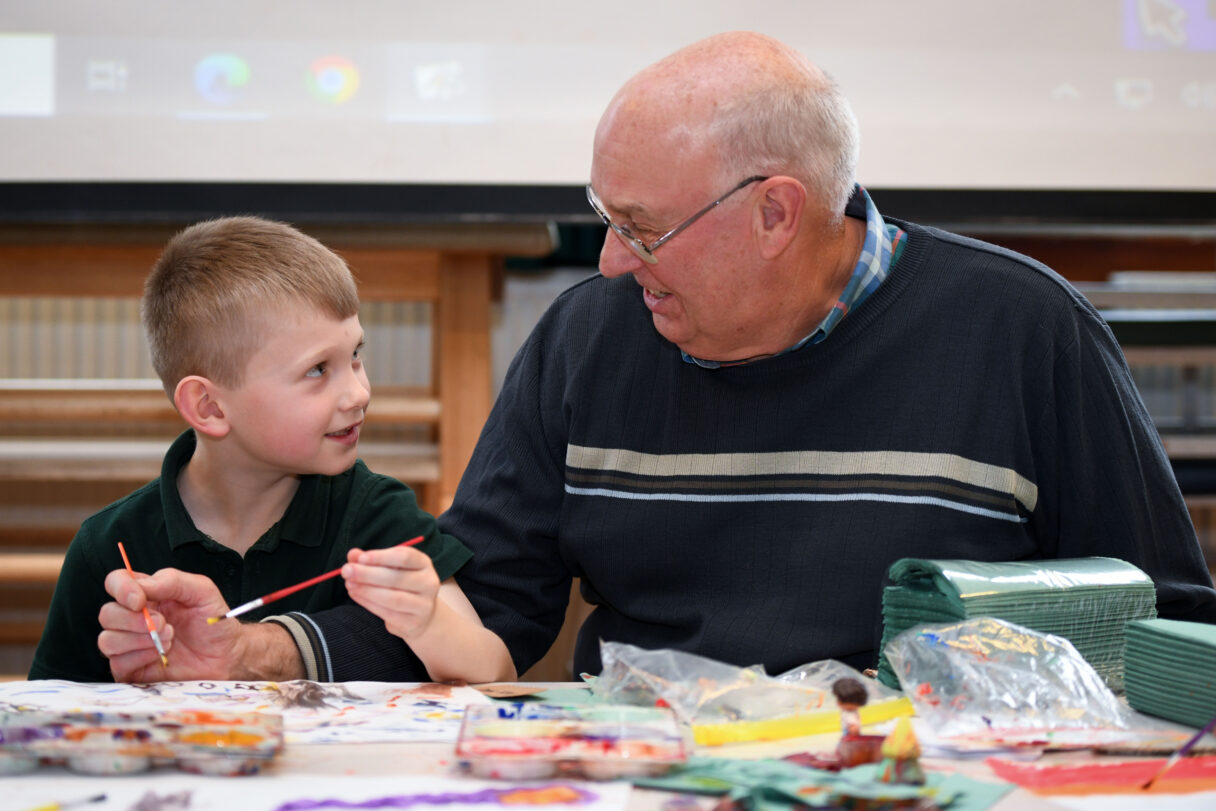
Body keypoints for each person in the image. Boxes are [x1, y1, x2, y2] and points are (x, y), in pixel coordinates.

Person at [97, 32, 1216, 684]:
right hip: (642, 780)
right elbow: (475, 599)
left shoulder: (1024, 332)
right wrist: (251, 658)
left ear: (777, 212)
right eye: (605, 221)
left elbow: (1165, 619)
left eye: (641, 227)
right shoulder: (590, 339)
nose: (616, 266)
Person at [32, 216, 514, 684]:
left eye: (355, 356)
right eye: (318, 370)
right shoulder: (109, 547)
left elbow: (495, 669)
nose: (359, 393)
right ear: (210, 407)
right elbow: (48, 709)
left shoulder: (379, 515)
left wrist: (428, 620)